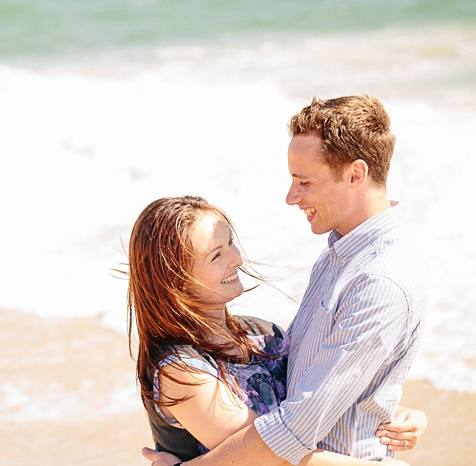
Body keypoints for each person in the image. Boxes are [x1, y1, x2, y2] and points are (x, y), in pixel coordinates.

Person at [140, 96, 429, 466]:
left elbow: (294, 426)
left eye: (304, 181)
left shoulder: (378, 280)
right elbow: (315, 385)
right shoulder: (337, 255)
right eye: (216, 254)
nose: (291, 197)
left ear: (356, 175)